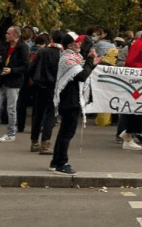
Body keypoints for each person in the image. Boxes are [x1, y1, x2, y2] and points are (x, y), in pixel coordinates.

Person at [50, 32, 100, 175]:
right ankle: (62, 163)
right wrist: (90, 60)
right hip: (69, 100)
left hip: (71, 99)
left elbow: (83, 71)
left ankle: (56, 161)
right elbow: (82, 76)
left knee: (64, 132)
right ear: (70, 45)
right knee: (67, 133)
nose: (80, 44)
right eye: (77, 42)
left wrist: (91, 63)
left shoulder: (74, 57)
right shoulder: (67, 57)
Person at [28, 30, 65, 154]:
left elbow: (31, 68)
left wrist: (33, 79)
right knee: (51, 115)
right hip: (54, 87)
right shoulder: (62, 54)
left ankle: (34, 142)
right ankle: (45, 142)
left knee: (37, 114)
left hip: (39, 85)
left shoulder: (41, 51)